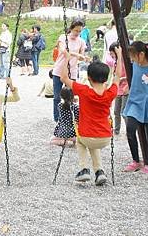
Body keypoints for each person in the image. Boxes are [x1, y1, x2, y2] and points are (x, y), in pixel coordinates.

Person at [60, 46, 122, 185]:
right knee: (93, 143)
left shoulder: (84, 91)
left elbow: (64, 78)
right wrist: (119, 56)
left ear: (88, 78)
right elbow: (118, 76)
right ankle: (99, 171)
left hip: (87, 136)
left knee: (81, 141)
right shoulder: (110, 93)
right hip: (105, 138)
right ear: (106, 78)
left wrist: (66, 59)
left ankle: (84, 169)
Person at [122, 41, 148, 174]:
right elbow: (134, 79)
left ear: (141, 54)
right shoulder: (135, 65)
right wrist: (127, 86)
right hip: (135, 101)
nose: (132, 59)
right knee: (130, 130)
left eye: (133, 56)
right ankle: (136, 161)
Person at [51, 20, 88, 122]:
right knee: (57, 96)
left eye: (79, 31)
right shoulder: (63, 38)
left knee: (71, 96)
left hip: (72, 71)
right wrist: (77, 55)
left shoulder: (81, 41)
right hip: (59, 69)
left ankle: (69, 118)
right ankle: (57, 119)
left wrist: (83, 58)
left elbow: (82, 56)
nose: (77, 33)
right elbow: (63, 51)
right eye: (76, 30)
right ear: (71, 28)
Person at [107, 42, 129, 135]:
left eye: (112, 53)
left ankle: (129, 129)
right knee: (116, 111)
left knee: (124, 111)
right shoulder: (116, 62)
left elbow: (130, 75)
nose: (111, 55)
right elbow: (114, 75)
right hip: (118, 89)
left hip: (125, 88)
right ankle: (116, 129)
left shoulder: (125, 61)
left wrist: (122, 79)